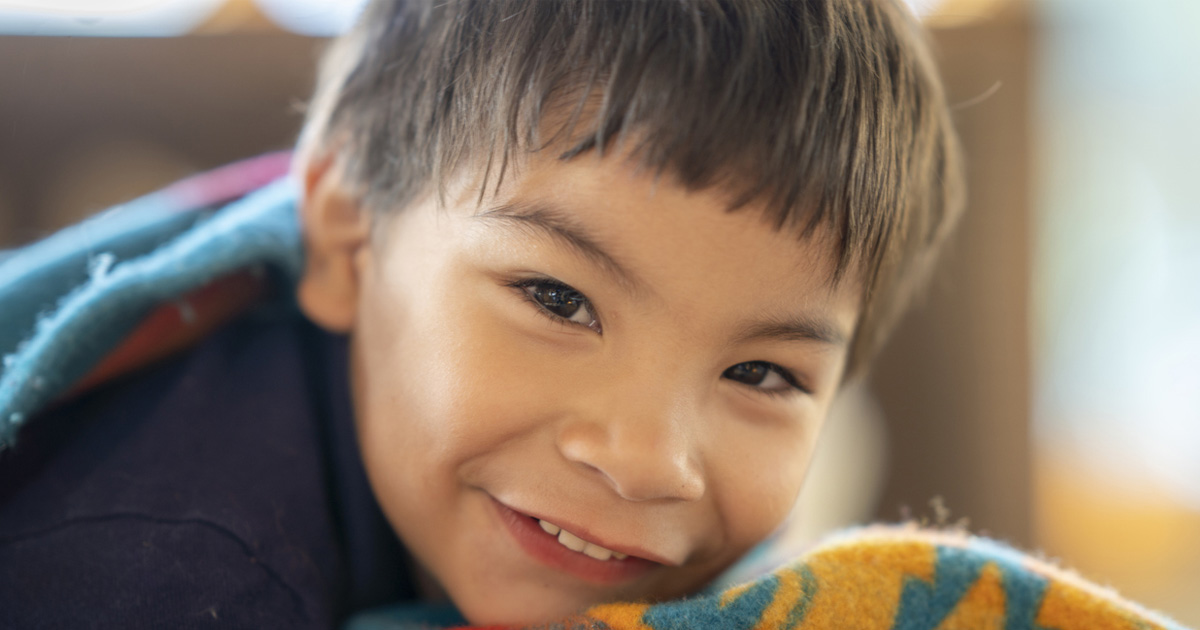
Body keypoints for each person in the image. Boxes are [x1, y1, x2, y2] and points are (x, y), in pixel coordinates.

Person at [0, 0, 965, 627]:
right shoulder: (170, 574)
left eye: (762, 374)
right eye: (559, 299)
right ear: (347, 237)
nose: (645, 458)